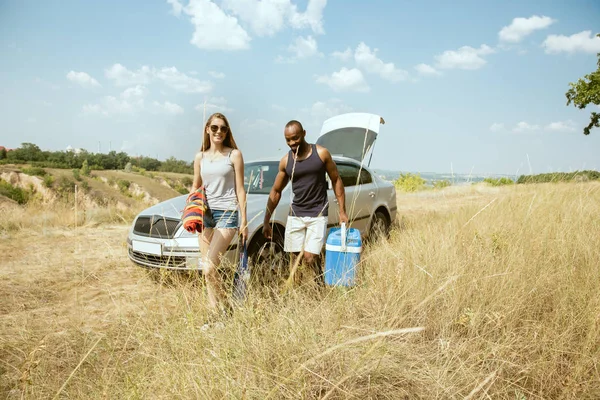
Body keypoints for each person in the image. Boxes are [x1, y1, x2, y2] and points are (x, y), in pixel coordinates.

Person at [263, 120, 348, 283]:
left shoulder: (321, 153)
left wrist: (342, 211)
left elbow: (336, 179)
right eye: (288, 140)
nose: (292, 143)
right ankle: (298, 295)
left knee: (309, 257)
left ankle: (318, 283)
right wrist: (266, 221)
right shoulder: (286, 161)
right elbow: (276, 191)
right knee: (294, 261)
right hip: (296, 214)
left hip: (317, 213)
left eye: (295, 138)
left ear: (304, 133)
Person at [191, 112, 248, 314]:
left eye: (223, 128)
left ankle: (227, 307)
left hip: (227, 212)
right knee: (207, 272)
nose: (219, 132)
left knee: (208, 266)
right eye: (214, 127)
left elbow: (240, 189)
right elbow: (196, 185)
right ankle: (216, 313)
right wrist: (190, 211)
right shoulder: (200, 157)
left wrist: (244, 221)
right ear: (207, 129)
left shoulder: (234, 155)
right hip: (205, 213)